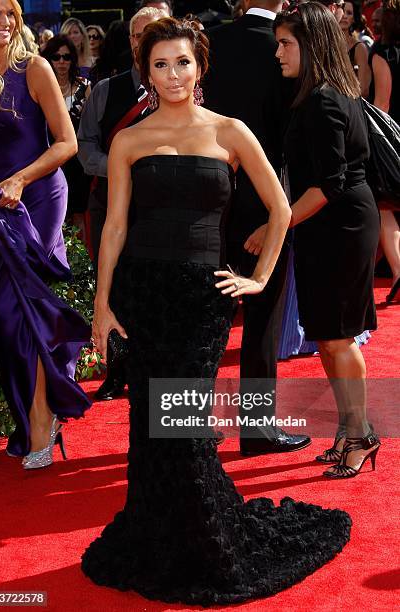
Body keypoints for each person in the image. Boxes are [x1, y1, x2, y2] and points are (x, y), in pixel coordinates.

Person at [80, 17, 352, 605]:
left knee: (184, 430)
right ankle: (160, 533)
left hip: (203, 300)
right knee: (151, 428)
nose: (173, 74)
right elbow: (116, 226)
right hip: (145, 293)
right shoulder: (130, 139)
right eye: (160, 64)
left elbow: (280, 209)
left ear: (201, 66)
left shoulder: (231, 132)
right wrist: (102, 303)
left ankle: (202, 535)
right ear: (145, 72)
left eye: (182, 62)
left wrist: (257, 280)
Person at [249, 2, 381, 477]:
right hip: (328, 226)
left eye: (285, 44)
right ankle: (350, 431)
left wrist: (274, 226)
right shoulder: (316, 94)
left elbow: (328, 184)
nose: (278, 52)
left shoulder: (325, 100)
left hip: (340, 227)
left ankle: (362, 435)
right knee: (328, 337)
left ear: (311, 44)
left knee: (340, 339)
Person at [0, 0, 91, 468]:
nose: (5, 22)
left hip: (37, 196)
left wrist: (22, 180)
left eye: (11, 12)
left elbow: (67, 142)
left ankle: (42, 419)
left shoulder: (35, 69)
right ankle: (34, 414)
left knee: (24, 307)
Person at [204, 0, 311, 456]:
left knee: (206, 319)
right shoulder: (288, 46)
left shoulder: (210, 42)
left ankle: (186, 428)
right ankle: (257, 429)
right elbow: (294, 137)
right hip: (269, 201)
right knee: (262, 319)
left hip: (207, 198)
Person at [78, 6, 166, 401]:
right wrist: (120, 171)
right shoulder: (104, 91)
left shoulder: (180, 91)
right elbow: (84, 148)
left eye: (151, 33)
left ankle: (155, 370)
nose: (141, 41)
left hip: (160, 211)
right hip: (106, 203)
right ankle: (116, 373)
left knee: (155, 287)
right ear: (130, 40)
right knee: (111, 287)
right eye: (136, 35)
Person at [42, 34, 91, 242]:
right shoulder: (40, 88)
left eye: (67, 57)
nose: (62, 62)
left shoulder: (84, 86)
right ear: (48, 59)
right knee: (54, 213)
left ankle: (81, 267)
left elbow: (91, 127)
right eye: (56, 57)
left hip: (78, 162)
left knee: (79, 212)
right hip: (50, 159)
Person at [370, 0, 400, 303]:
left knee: (385, 206)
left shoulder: (383, 54)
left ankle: (398, 269)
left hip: (394, 140)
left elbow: (382, 104)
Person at [340, 1, 372, 95]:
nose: (344, 16)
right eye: (342, 11)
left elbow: (363, 90)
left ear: (353, 19)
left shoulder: (359, 48)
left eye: (349, 13)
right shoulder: (325, 43)